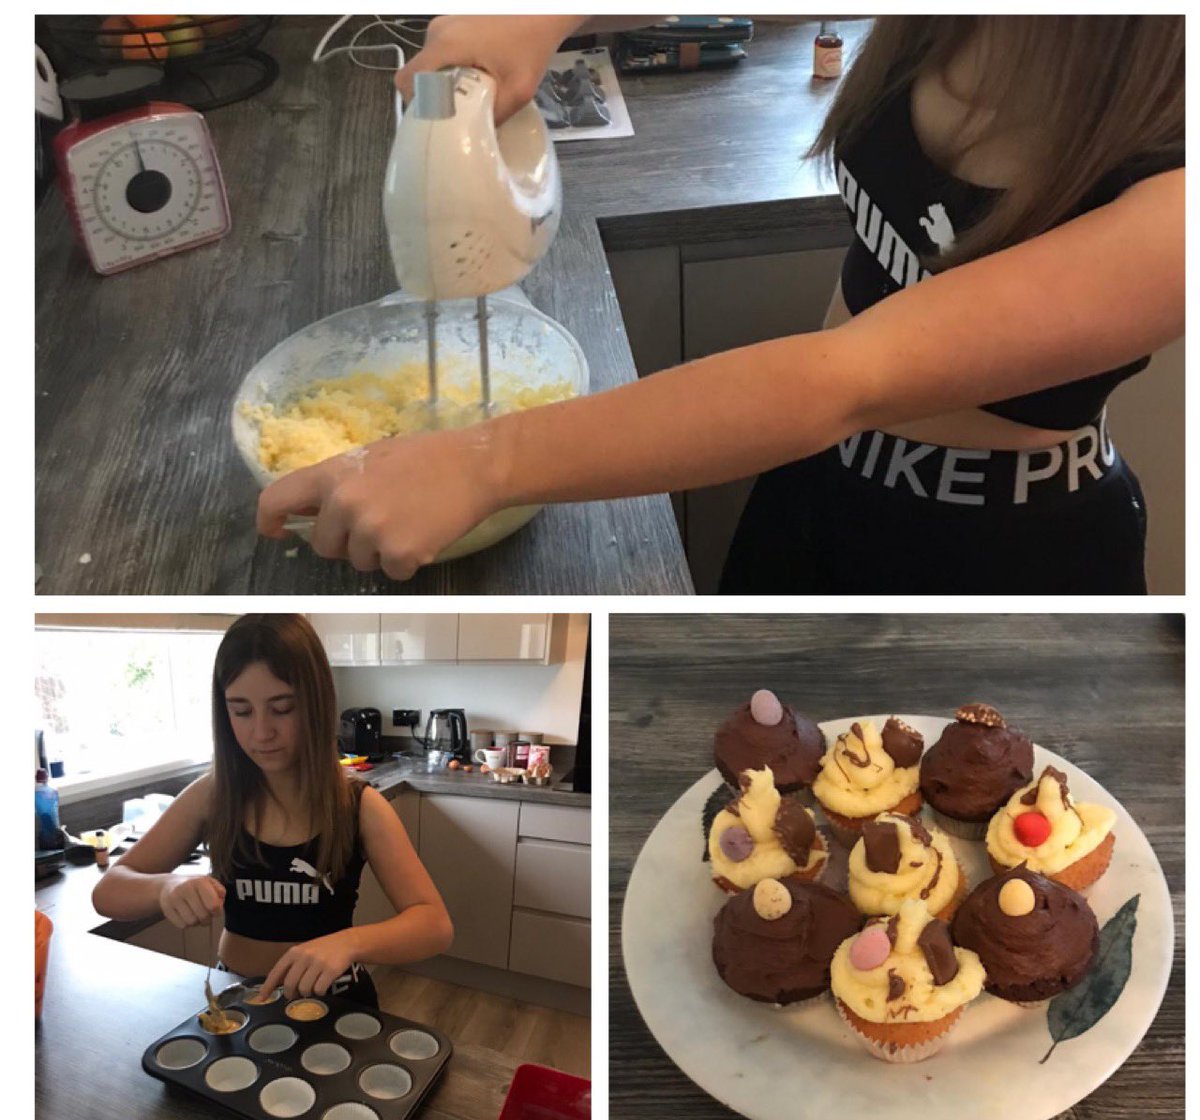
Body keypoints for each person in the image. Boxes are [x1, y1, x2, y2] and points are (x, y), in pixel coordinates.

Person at [257, 15, 1184, 594]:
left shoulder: (1172, 202)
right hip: (813, 477)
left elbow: (840, 379)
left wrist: (480, 464)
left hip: (1006, 554)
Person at [92, 614, 452, 1003]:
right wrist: (164, 888)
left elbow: (433, 924)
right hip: (238, 1001)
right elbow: (108, 892)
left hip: (335, 1002)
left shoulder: (358, 805)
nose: (261, 732)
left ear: (316, 705)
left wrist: (350, 943)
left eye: (282, 708)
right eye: (241, 711)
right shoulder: (214, 796)